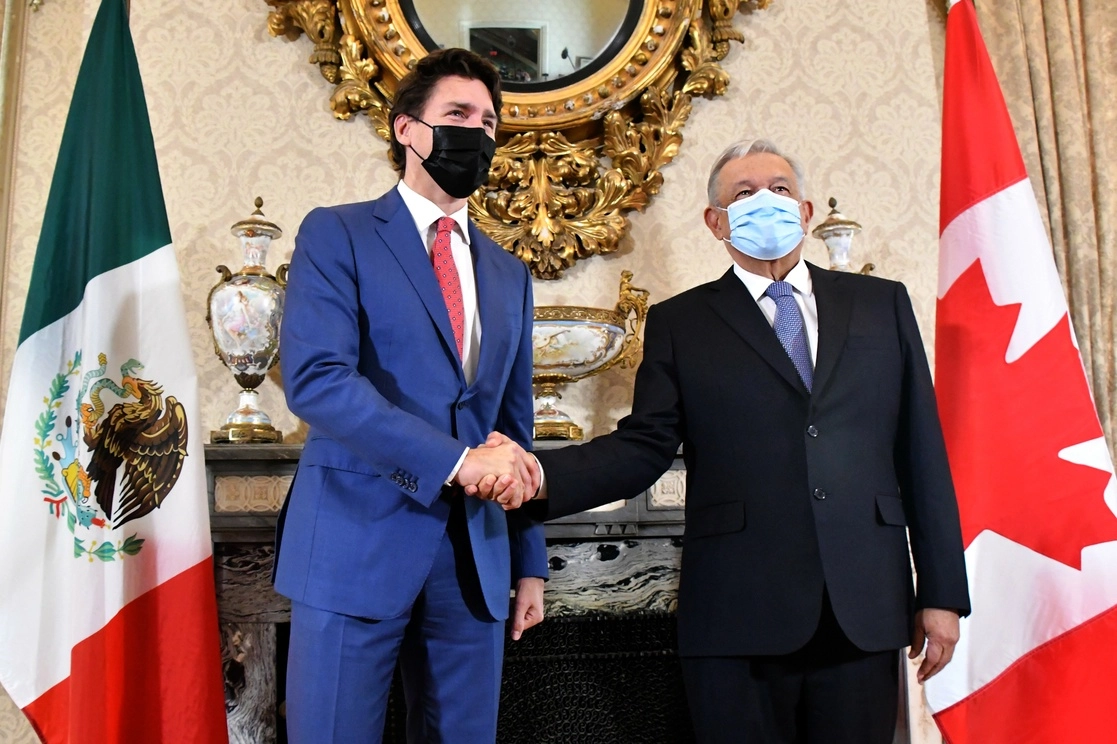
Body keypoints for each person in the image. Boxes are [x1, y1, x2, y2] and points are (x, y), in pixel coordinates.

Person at [484, 139, 971, 743]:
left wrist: (943, 592)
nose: (765, 201)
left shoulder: (881, 305)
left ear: (807, 211)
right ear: (715, 222)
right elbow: (643, 447)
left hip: (863, 609)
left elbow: (921, 452)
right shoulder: (680, 323)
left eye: (780, 189)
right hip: (737, 613)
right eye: (744, 194)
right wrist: (536, 476)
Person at [274, 48, 546, 743]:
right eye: (457, 114)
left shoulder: (509, 272)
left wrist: (530, 564)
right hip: (353, 542)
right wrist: (457, 462)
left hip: (475, 560)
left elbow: (514, 430)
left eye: (487, 122)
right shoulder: (336, 233)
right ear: (406, 129)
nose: (476, 134)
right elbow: (319, 381)